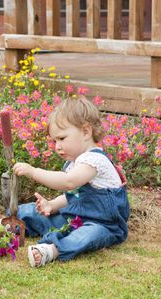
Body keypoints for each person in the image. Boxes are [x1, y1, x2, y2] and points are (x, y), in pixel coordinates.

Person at [12, 96, 130, 267]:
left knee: (86, 236)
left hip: (104, 225)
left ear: (85, 132)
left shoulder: (94, 161)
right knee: (38, 214)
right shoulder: (76, 161)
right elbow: (74, 195)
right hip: (76, 219)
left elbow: (69, 182)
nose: (56, 146)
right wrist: (51, 205)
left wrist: (34, 171)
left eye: (62, 138)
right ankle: (2, 225)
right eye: (54, 141)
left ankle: (51, 251)